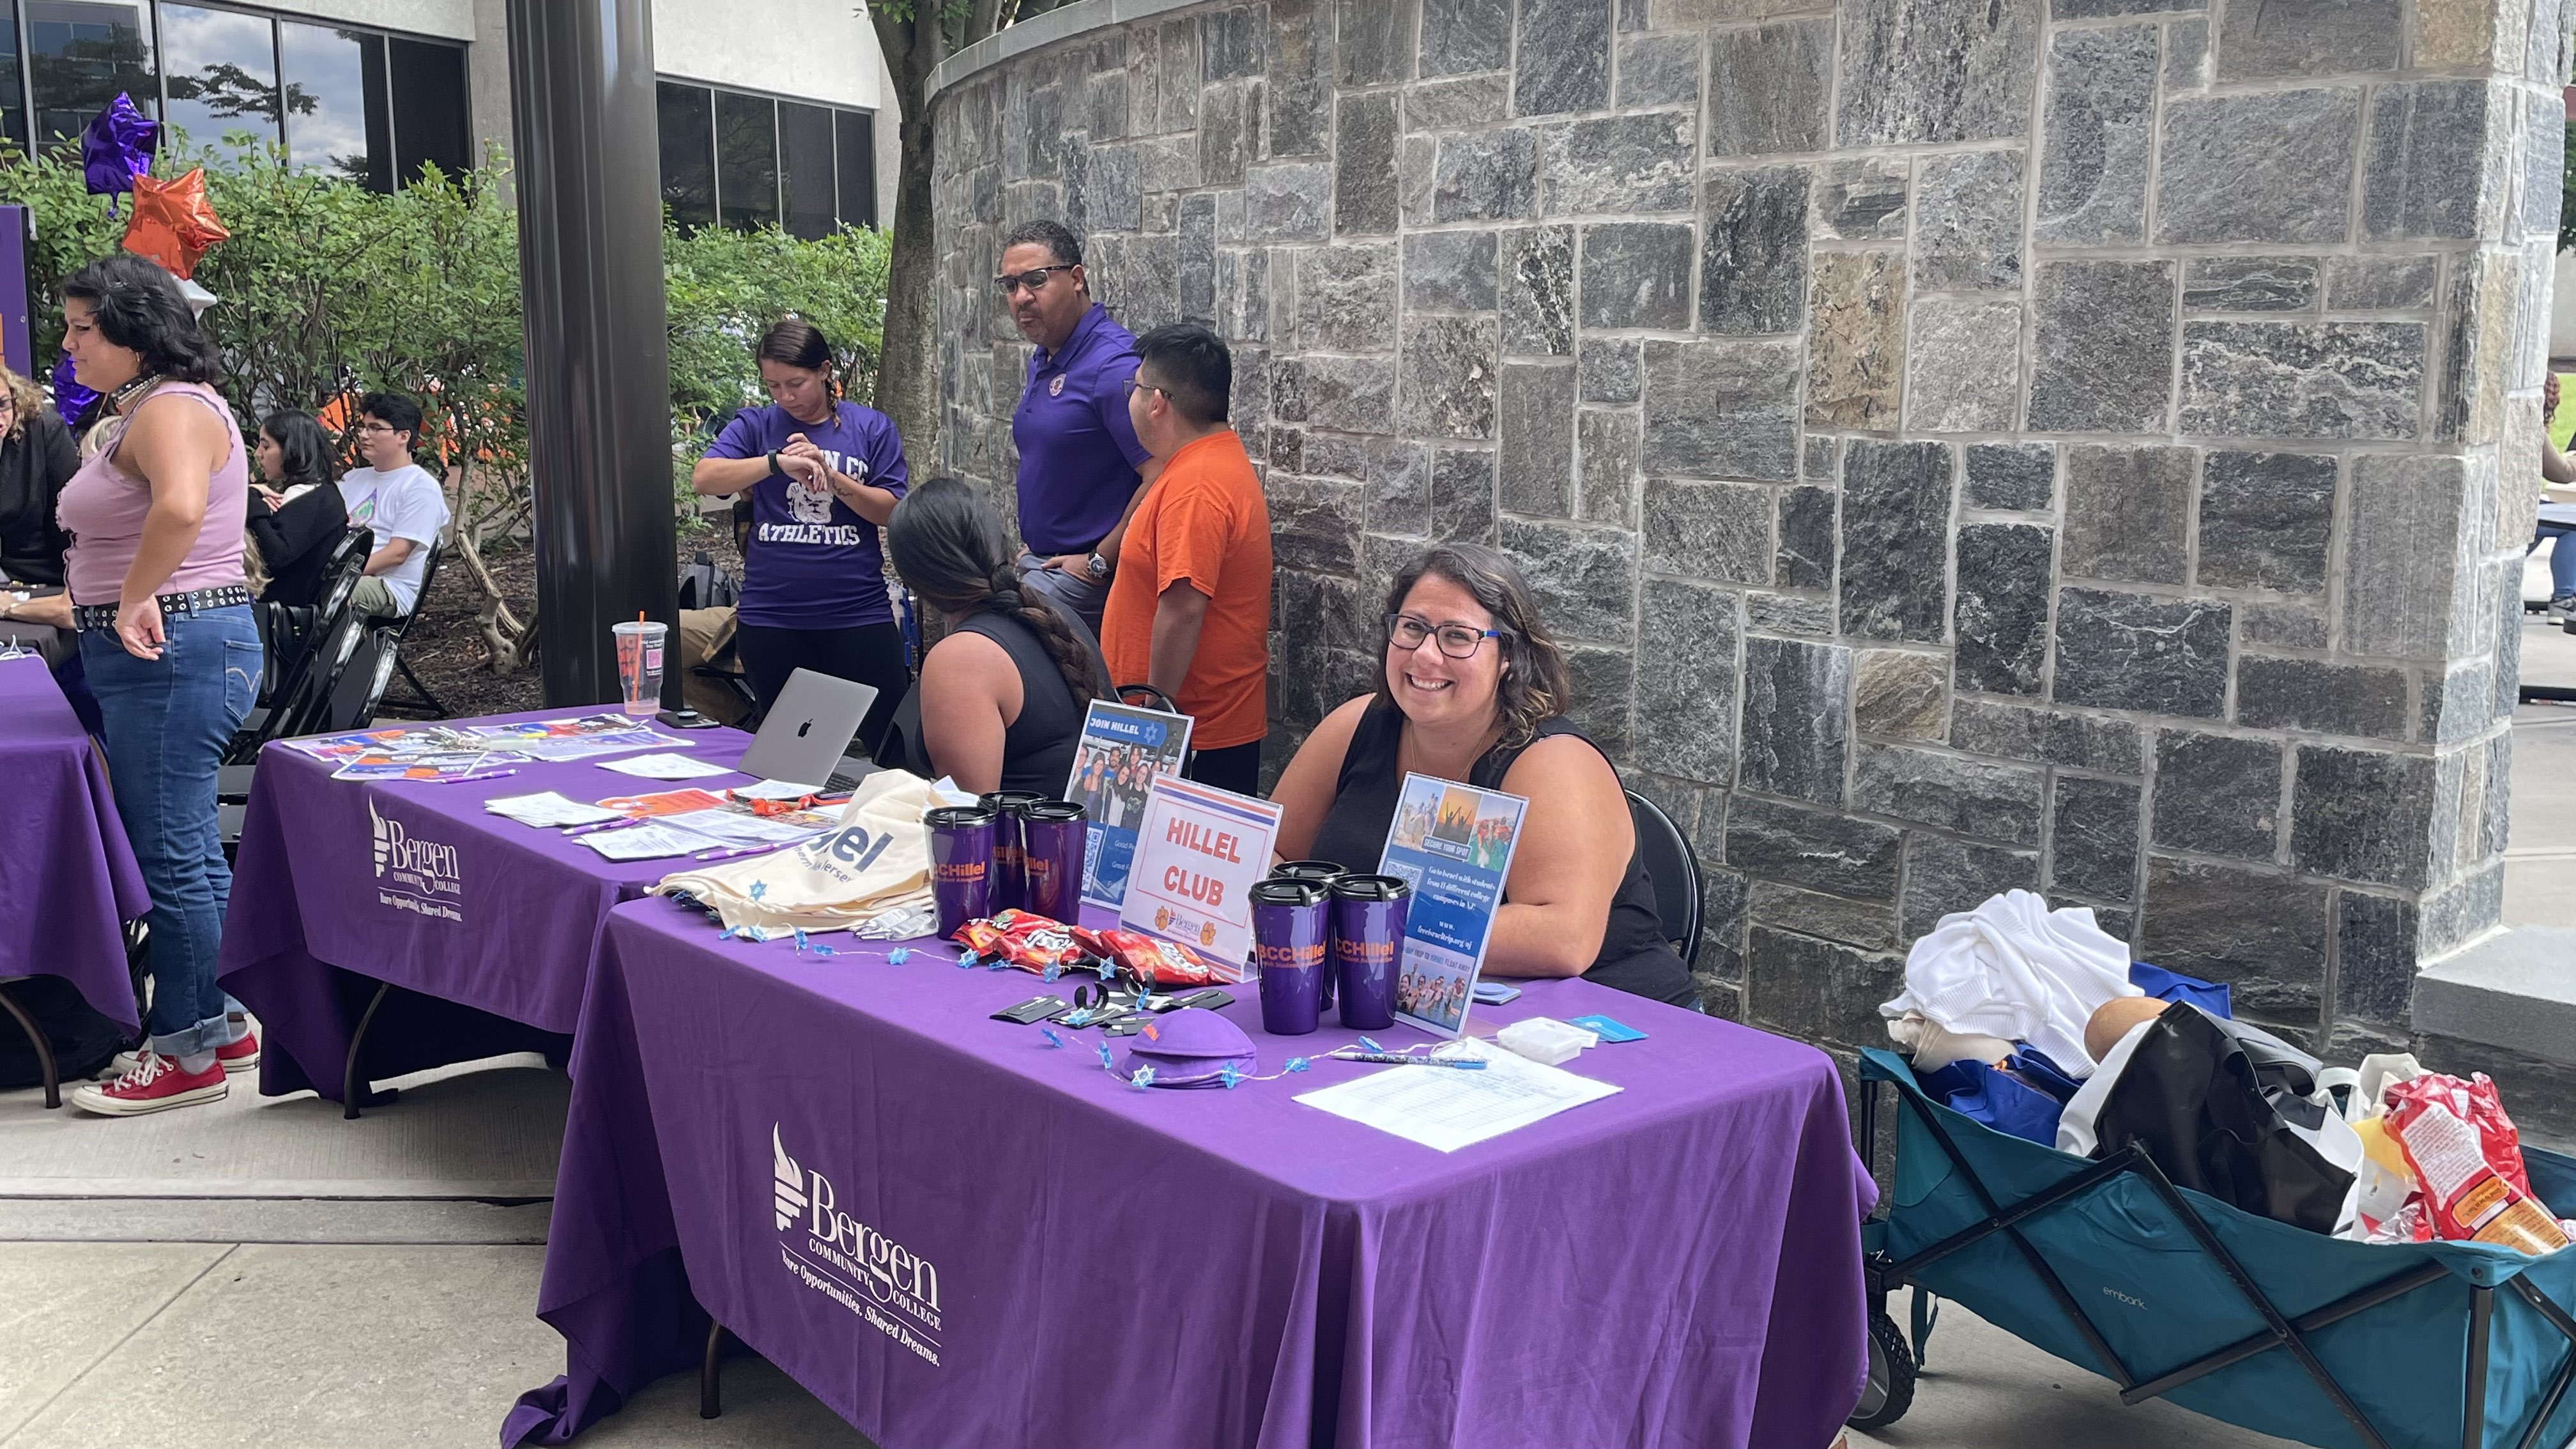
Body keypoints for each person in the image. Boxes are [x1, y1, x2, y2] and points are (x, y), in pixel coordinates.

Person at [1268, 544, 1699, 1008]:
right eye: (1412, 628)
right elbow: (1275, 855)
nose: (1426, 655)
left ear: (1508, 657)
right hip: (1406, 1007)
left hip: (1605, 1021)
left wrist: (1358, 930)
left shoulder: (1553, 761)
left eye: (1457, 637)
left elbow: (1565, 940)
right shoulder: (1355, 725)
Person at [54, 254, 263, 1114]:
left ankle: (185, 1056)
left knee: (170, 854)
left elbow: (179, 507)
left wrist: (135, 596)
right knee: (190, 851)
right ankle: (227, 1021)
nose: (68, 345)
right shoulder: (155, 406)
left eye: (82, 329)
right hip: (170, 645)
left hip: (169, 647)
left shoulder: (171, 408)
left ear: (136, 332)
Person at [691, 317, 909, 751]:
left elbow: (892, 511)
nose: (786, 397)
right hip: (773, 619)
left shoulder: (870, 428)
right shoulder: (756, 426)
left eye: (796, 383)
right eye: (773, 386)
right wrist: (776, 463)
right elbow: (705, 478)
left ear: (825, 371)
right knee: (792, 753)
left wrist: (832, 478)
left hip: (857, 614)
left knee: (888, 744)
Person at [1100, 323, 1271, 796]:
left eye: (1134, 387)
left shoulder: (1197, 486)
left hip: (1193, 738)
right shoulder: (1205, 464)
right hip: (1193, 728)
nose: (1130, 399)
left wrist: (1156, 719)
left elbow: (1182, 608)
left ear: (1157, 402)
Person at [884, 476, 1103, 796]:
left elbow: (966, 819)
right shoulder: (1056, 612)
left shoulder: (960, 659)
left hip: (1022, 843)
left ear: (915, 577)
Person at [1002, 220, 1158, 634]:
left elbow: (1161, 475)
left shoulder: (1113, 366)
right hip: (1045, 563)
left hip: (1088, 580)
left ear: (1076, 279)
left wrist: (1098, 561)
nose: (1021, 298)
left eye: (1035, 280)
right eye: (1010, 285)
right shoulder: (1047, 355)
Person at [339, 391, 450, 622]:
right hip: (344, 574)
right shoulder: (352, 479)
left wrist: (336, 575)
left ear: (403, 436)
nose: (363, 435)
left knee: (327, 594)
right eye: (363, 427)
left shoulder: (420, 487)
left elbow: (397, 554)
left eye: (375, 428)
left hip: (388, 586)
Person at [0, 364, 82, 663]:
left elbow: (72, 524)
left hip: (45, 574)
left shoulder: (43, 429)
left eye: (3, 404)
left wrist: (73, 590)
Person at [244, 410, 349, 610]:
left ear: (292, 450)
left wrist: (251, 502)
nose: (258, 454)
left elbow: (276, 555)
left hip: (283, 612)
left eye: (266, 446)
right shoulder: (324, 492)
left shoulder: (309, 496)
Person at [2536, 373, 2576, 619]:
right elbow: (2561, 474)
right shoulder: (2531, 424)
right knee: (2572, 523)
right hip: (2518, 511)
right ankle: (2564, 599)